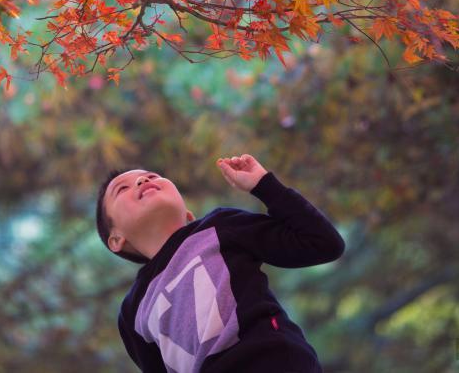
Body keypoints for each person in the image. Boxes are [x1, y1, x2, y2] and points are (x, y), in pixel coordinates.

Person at [95, 153, 345, 372]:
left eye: (151, 175)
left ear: (188, 215)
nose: (143, 181)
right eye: (122, 189)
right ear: (116, 239)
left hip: (274, 361)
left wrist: (264, 185)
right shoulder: (133, 312)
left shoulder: (219, 227)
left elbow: (322, 243)